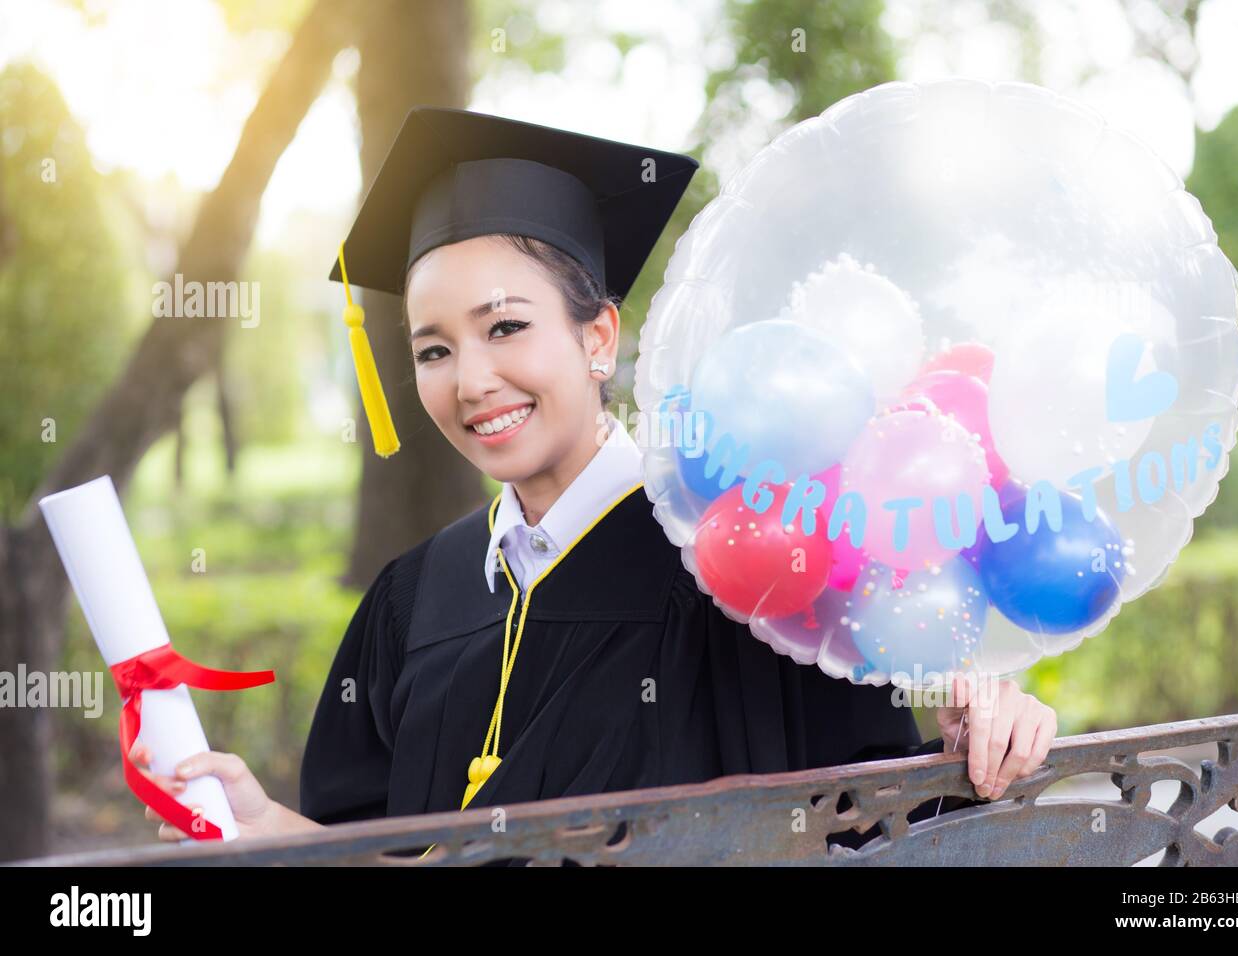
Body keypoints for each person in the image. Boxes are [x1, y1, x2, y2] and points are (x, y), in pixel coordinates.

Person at [132, 107, 1057, 855]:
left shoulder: (740, 568)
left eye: (505, 327)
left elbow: (869, 829)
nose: (471, 380)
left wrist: (973, 739)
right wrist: (271, 831)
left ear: (599, 337)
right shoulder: (410, 602)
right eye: (433, 349)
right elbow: (368, 856)